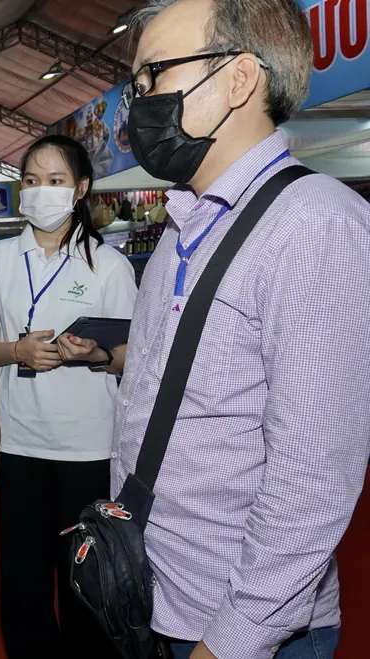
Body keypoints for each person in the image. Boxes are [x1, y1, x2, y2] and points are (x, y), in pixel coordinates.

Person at [105, 1, 370, 658]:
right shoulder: (180, 228)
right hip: (158, 602)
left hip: (240, 633)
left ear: (239, 80)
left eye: (155, 74)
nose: (137, 103)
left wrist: (232, 638)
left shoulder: (314, 226)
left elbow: (312, 476)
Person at [0, 135, 135, 658]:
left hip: (87, 449)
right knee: (22, 587)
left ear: (81, 189)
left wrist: (93, 353)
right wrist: (17, 351)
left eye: (55, 181)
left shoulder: (109, 266)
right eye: (30, 181)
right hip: (19, 445)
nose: (40, 192)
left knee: (85, 587)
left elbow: (130, 359)